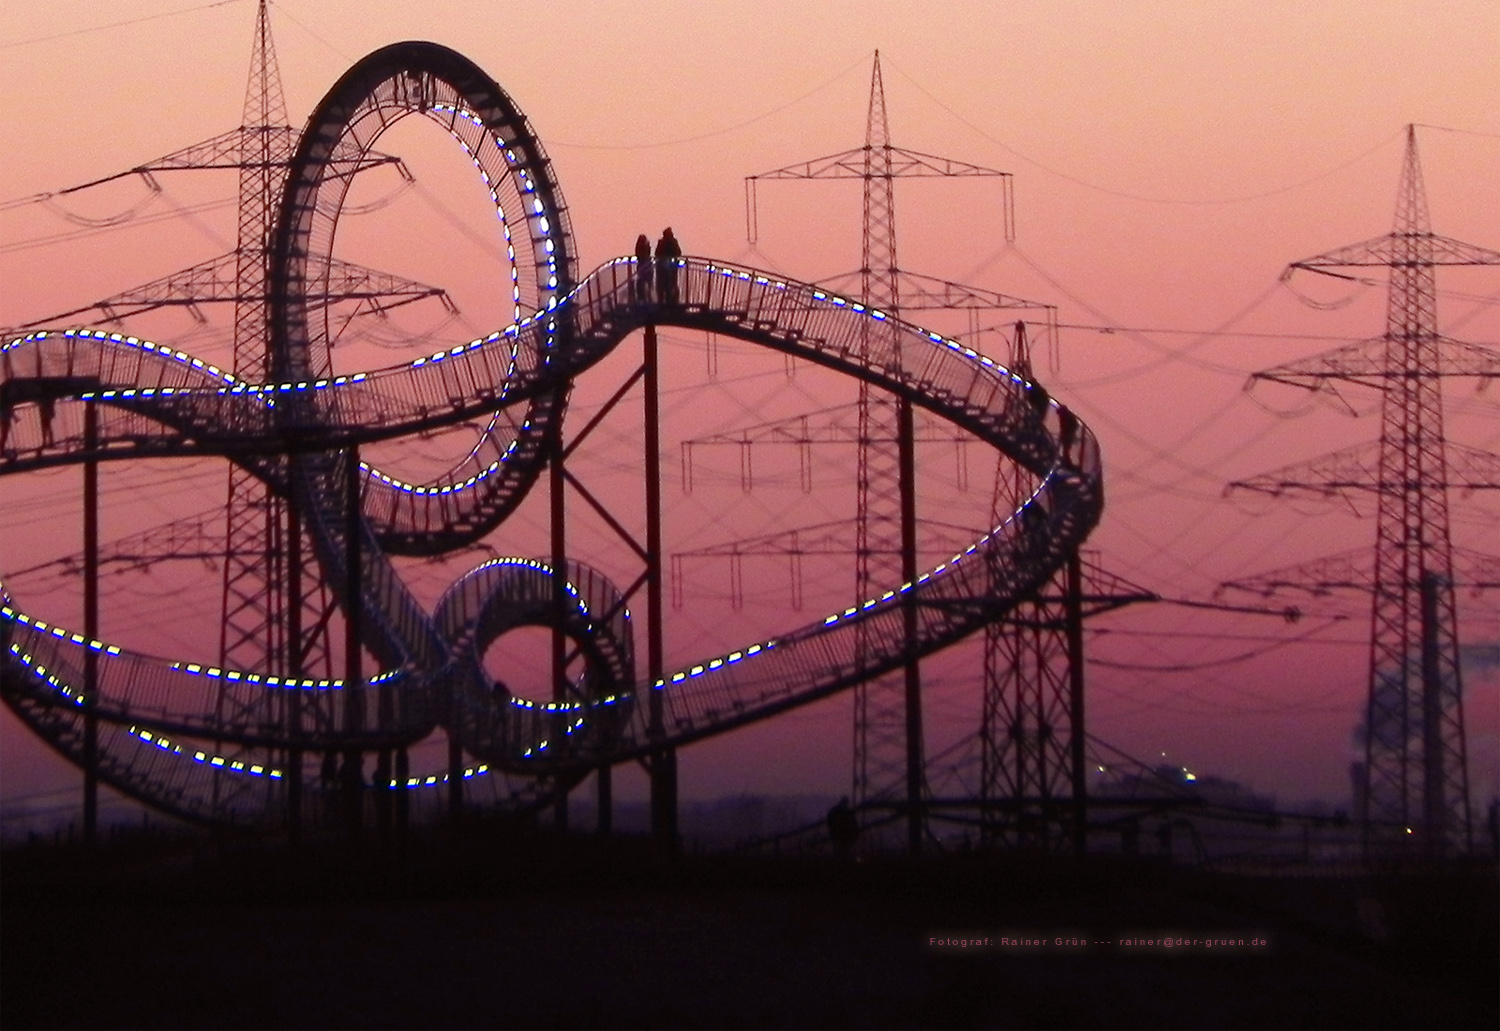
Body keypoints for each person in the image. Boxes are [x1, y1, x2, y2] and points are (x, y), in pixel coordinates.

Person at [655, 227, 682, 305]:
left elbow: (657, 254)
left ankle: (665, 300)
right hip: (669, 267)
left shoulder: (662, 242)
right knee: (670, 284)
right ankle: (670, 300)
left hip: (664, 267)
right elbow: (679, 252)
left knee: (665, 285)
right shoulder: (672, 242)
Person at [633, 233, 654, 303]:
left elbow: (638, 254)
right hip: (647, 266)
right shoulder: (647, 245)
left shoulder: (639, 246)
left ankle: (644, 298)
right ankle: (648, 298)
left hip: (643, 265)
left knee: (642, 282)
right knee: (646, 283)